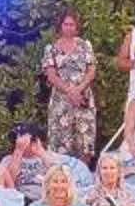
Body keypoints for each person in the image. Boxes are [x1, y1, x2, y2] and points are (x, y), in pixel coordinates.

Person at [39, 10, 101, 162]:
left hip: (82, 97)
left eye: (72, 25)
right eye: (66, 24)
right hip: (61, 99)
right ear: (60, 26)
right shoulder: (51, 48)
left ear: (76, 26)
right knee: (60, 141)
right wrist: (69, 91)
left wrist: (78, 90)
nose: (69, 28)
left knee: (84, 139)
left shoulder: (85, 45)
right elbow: (51, 74)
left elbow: (91, 70)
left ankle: (83, 175)